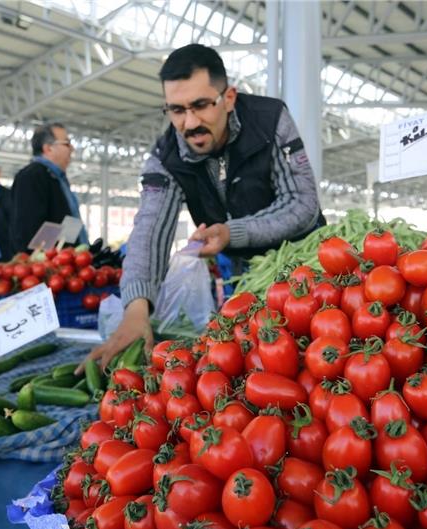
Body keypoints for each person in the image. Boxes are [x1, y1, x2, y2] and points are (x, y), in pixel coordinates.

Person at [78, 43, 324, 372]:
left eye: (201, 105)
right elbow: (149, 229)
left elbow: (302, 203)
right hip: (245, 282)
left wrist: (231, 232)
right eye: (177, 110)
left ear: (229, 98)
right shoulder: (166, 156)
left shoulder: (270, 120)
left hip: (306, 274)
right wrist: (136, 308)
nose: (190, 122)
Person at [10, 123, 88, 252]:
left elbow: (68, 221)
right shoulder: (32, 176)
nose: (72, 149)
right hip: (48, 265)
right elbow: (30, 229)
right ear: (48, 149)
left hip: (65, 259)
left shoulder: (57, 178)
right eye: (66, 144)